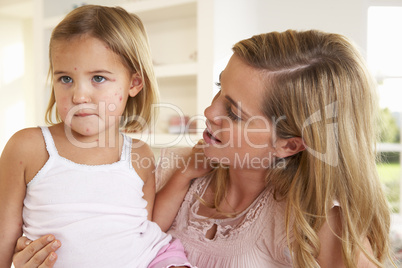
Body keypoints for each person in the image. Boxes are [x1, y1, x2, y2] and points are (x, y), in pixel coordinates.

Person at [12, 29, 394, 267]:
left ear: (289, 144)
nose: (209, 111)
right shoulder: (170, 168)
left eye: (235, 112)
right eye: (218, 89)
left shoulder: (317, 224)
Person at [0, 5, 193, 268]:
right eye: (65, 78)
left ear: (134, 83)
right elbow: (4, 237)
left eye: (98, 78)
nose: (79, 96)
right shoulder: (28, 148)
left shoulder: (139, 154)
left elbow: (141, 230)